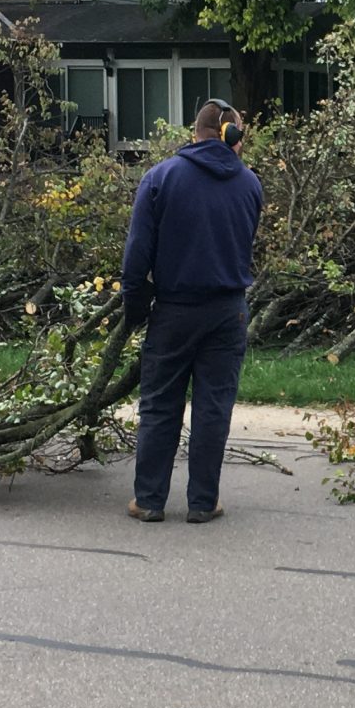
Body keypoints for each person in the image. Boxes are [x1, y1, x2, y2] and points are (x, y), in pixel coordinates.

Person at [121, 98, 264, 524]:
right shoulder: (250, 184)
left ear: (195, 132)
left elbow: (136, 255)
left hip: (174, 309)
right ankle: (203, 501)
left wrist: (134, 307)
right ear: (231, 136)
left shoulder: (160, 178)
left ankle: (148, 499)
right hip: (227, 311)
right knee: (213, 407)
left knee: (161, 403)